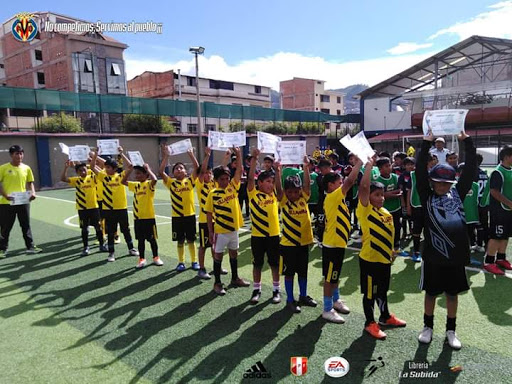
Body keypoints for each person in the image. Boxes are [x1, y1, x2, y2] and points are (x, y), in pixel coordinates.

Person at [416, 131, 476, 350]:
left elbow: (470, 170)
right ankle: (427, 327)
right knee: (431, 293)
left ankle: (451, 330)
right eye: (438, 182)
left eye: (446, 182)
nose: (442, 186)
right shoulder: (426, 194)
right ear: (431, 182)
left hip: (456, 256)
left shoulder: (458, 193)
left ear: (452, 182)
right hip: (433, 254)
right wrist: (426, 143)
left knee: (452, 294)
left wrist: (466, 142)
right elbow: (419, 172)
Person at [357, 158, 406, 339]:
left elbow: (389, 235)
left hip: (384, 260)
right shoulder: (365, 210)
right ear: (368, 197)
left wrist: (392, 251)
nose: (381, 198)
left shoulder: (386, 213)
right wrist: (369, 166)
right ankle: (370, 323)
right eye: (377, 195)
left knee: (382, 291)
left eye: (382, 194)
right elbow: (363, 187)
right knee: (369, 294)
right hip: (369, 260)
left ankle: (385, 317)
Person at [321, 159, 362, 323]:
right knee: (330, 278)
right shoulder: (333, 197)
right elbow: (351, 181)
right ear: (331, 185)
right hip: (332, 244)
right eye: (339, 182)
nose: (342, 184)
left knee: (335, 275)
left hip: (338, 243)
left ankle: (335, 301)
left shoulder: (336, 197)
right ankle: (326, 308)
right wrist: (359, 163)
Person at [205, 147, 250, 295]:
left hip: (234, 229)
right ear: (216, 180)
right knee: (218, 256)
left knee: (234, 254)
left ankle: (235, 278)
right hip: (220, 231)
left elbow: (239, 171)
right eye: (222, 179)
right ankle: (217, 283)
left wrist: (238, 154)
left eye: (227, 178)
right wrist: (211, 232)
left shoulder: (232, 187)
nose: (225, 181)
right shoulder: (212, 194)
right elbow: (209, 214)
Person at [277, 156, 317, 313]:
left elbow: (307, 185)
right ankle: (289, 299)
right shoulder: (284, 201)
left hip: (303, 244)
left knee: (303, 272)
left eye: (296, 191)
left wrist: (306, 167)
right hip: (288, 245)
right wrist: (277, 171)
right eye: (290, 192)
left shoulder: (303, 198)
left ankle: (303, 296)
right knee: (289, 273)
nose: (293, 194)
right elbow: (278, 190)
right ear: (286, 192)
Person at [247, 148, 282, 304]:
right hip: (258, 236)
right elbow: (249, 179)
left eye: (271, 182)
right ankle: (257, 289)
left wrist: (278, 171)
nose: (270, 185)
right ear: (259, 182)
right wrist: (255, 158)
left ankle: (276, 290)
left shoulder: (274, 194)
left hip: (274, 235)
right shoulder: (253, 193)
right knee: (258, 264)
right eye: (267, 182)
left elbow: (279, 188)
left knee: (275, 264)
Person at [91, 149, 139, 262]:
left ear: (114, 169)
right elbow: (92, 166)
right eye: (105, 167)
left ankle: (131, 248)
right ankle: (111, 253)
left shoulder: (121, 176)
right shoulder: (103, 176)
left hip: (121, 208)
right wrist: (96, 154)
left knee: (125, 230)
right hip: (108, 209)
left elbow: (130, 166)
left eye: (108, 167)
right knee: (110, 232)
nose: (106, 169)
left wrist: (122, 153)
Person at [160, 147, 199, 272]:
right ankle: (181, 262)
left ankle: (194, 261)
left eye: (181, 168)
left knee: (191, 240)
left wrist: (191, 155)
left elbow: (197, 168)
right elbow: (161, 171)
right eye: (176, 168)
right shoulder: (171, 183)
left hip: (190, 215)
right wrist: (166, 156)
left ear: (186, 172)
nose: (178, 169)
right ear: (173, 173)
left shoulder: (190, 181)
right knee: (180, 241)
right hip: (177, 217)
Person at [0, 145, 42, 256]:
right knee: (5, 227)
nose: (19, 156)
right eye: (17, 153)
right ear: (11, 155)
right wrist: (5, 195)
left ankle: (30, 247)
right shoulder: (3, 168)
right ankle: (2, 249)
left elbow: (30, 182)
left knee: (25, 225)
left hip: (23, 201)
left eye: (21, 153)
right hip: (7, 203)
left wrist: (33, 192)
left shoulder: (26, 168)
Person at [122, 163, 162, 268]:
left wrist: (148, 169)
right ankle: (142, 259)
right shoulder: (135, 185)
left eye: (139, 174)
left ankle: (156, 257)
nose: (137, 176)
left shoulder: (149, 184)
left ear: (146, 175)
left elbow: (155, 180)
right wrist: (129, 171)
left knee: (152, 239)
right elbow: (123, 181)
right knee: (140, 240)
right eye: (136, 174)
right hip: (138, 218)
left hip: (149, 217)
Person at [61, 161, 105, 256]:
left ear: (87, 170)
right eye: (80, 170)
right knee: (85, 229)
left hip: (94, 207)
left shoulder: (92, 178)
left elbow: (101, 174)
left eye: (84, 170)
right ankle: (86, 247)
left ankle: (102, 245)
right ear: (77, 172)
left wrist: (91, 165)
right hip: (82, 209)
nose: (83, 172)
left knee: (98, 227)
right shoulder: (76, 180)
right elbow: (63, 179)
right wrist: (66, 168)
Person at [482, 146, 512, 275]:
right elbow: (494, 192)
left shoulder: (510, 170)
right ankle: (488, 262)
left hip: (508, 210)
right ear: (506, 157)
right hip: (499, 210)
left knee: (505, 235)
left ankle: (501, 258)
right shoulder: (497, 172)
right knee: (496, 236)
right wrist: (510, 204)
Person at [194, 147, 215, 279]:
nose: (208, 175)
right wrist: (207, 156)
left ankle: (216, 266)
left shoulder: (214, 184)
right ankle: (201, 269)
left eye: (210, 173)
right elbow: (201, 172)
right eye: (206, 173)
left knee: (215, 244)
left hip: (216, 220)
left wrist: (226, 157)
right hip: (203, 220)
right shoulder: (200, 184)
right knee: (203, 245)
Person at [376, 157, 403, 254]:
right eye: (386, 166)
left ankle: (396, 246)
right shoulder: (378, 180)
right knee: (384, 229)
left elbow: (400, 190)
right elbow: (384, 195)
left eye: (390, 165)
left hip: (396, 207)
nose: (389, 167)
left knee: (397, 227)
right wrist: (394, 193)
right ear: (380, 169)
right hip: (385, 209)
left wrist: (390, 193)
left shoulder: (395, 177)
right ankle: (384, 246)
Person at [475, 154, 489, 253]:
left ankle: (479, 244)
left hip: (475, 202)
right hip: (484, 202)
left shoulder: (472, 173)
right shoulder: (484, 173)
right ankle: (487, 243)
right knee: (484, 224)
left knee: (478, 225)